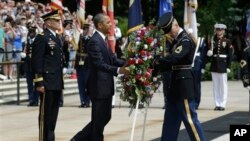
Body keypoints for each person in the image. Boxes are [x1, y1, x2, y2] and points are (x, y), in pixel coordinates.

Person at [70, 13, 129, 141]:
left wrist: (129, 63)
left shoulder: (104, 39)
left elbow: (112, 59)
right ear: (100, 25)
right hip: (98, 87)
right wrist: (119, 70)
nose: (111, 24)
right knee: (98, 121)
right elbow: (99, 64)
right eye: (108, 22)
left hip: (105, 86)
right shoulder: (94, 41)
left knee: (105, 117)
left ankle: (77, 139)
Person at [156, 12, 206, 141]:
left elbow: (174, 58)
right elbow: (168, 64)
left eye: (169, 30)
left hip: (183, 86)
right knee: (170, 123)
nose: (168, 34)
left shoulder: (185, 40)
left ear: (175, 25)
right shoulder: (176, 41)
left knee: (190, 121)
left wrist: (156, 62)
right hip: (174, 86)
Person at [31, 10, 64, 141]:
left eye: (59, 20)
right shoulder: (42, 37)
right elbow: (37, 61)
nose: (59, 22)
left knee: (53, 116)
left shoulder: (56, 37)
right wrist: (39, 82)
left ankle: (50, 138)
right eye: (56, 20)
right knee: (46, 115)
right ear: (48, 23)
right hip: (46, 82)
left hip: (56, 81)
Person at [207, 23, 233, 111]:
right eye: (217, 30)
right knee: (216, 86)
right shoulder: (213, 40)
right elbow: (210, 53)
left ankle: (223, 104)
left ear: (223, 31)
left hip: (223, 65)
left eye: (220, 30)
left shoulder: (227, 41)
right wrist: (209, 53)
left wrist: (228, 66)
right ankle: (217, 103)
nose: (219, 31)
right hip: (214, 65)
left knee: (223, 86)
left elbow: (230, 55)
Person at [75, 23, 91, 108]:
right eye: (84, 29)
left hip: (87, 64)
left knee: (87, 84)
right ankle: (83, 101)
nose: (85, 31)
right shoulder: (79, 38)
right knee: (80, 84)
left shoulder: (91, 39)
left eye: (86, 29)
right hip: (79, 64)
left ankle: (87, 101)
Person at [24, 26, 39, 106]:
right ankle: (31, 99)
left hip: (35, 66)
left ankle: (36, 100)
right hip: (28, 65)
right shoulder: (27, 41)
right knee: (29, 84)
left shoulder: (37, 41)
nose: (31, 34)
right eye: (30, 32)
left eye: (32, 32)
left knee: (36, 84)